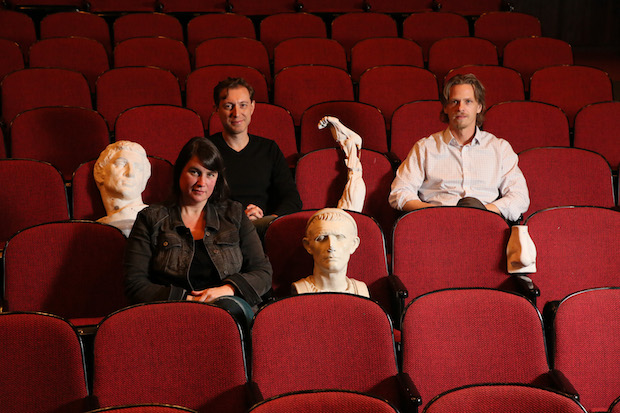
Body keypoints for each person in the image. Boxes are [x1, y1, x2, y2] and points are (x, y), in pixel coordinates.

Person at [124, 137, 273, 327]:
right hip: (173, 316)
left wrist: (227, 289)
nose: (202, 182)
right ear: (180, 172)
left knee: (230, 313)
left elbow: (263, 273)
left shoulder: (234, 214)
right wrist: (187, 300)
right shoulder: (150, 218)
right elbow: (135, 284)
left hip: (231, 313)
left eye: (210, 174)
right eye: (195, 172)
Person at [389, 73, 529, 222]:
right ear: (445, 108)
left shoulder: (500, 148)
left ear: (479, 107)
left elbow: (520, 197)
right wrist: (433, 212)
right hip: (436, 223)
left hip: (486, 224)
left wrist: (483, 212)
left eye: (468, 101)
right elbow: (399, 193)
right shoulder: (425, 148)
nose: (460, 108)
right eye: (455, 102)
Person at [208, 77, 302, 238]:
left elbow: (292, 199)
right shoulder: (205, 149)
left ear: (252, 107)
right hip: (219, 230)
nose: (236, 113)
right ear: (217, 109)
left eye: (243, 105)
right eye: (228, 106)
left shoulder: (269, 149)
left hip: (262, 228)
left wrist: (270, 220)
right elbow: (193, 200)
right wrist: (236, 217)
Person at [292, 208, 369, 297]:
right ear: (308, 245)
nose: (331, 246)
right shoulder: (301, 290)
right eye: (321, 238)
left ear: (353, 244)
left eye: (339, 237)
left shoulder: (361, 290)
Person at [94, 141, 151, 237]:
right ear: (100, 173)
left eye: (138, 168)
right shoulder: (95, 229)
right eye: (121, 164)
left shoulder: (156, 220)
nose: (131, 173)